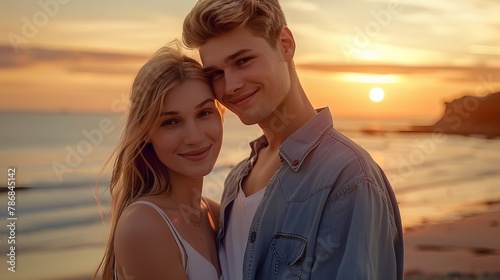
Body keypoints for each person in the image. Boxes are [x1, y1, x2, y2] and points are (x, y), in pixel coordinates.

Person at [182, 0, 404, 279]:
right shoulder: (236, 179)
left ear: (285, 44)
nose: (231, 86)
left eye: (242, 61)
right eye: (216, 73)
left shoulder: (347, 177)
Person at [94, 43, 223, 280]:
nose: (194, 137)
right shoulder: (143, 227)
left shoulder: (214, 213)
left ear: (220, 114)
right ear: (146, 133)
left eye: (204, 113)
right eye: (170, 122)